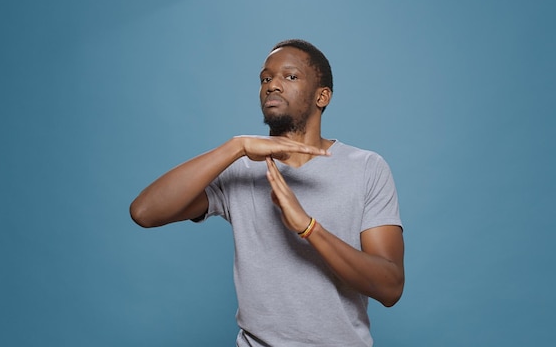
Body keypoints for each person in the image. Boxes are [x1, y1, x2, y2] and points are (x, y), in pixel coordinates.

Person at [130, 39, 405, 346]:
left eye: (290, 76)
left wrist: (308, 227)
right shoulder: (241, 169)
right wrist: (236, 147)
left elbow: (390, 286)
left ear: (322, 96)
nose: (273, 85)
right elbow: (145, 212)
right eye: (265, 78)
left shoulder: (366, 167)